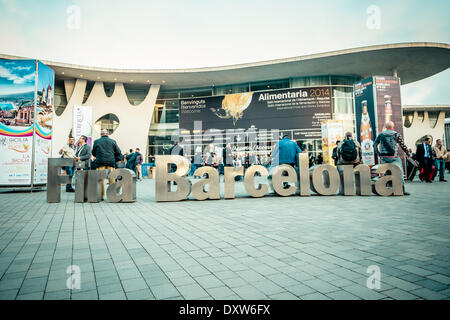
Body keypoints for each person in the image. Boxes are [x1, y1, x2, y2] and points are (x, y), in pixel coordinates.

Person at [373, 121, 411, 195]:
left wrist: (379, 154)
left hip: (384, 157)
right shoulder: (396, 134)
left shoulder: (381, 135)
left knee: (385, 172)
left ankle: (383, 188)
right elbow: (402, 145)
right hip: (394, 157)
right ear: (392, 127)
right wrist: (408, 153)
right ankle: (402, 189)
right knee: (400, 172)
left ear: (385, 127)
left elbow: (374, 145)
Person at [92, 129, 122, 200]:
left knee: (101, 179)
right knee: (112, 178)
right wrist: (115, 158)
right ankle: (112, 195)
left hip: (100, 162)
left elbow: (93, 153)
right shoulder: (112, 141)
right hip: (110, 162)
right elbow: (118, 151)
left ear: (100, 134)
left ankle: (101, 196)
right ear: (108, 134)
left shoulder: (96, 141)